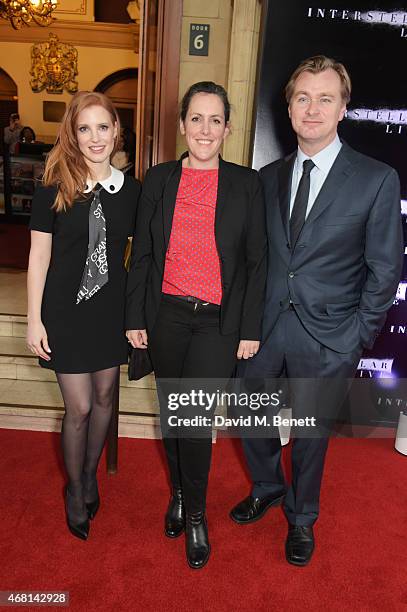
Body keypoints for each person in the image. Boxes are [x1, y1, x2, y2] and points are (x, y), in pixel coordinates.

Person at [230, 56, 403, 566]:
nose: (312, 108)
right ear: (288, 107)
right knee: (250, 414)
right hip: (263, 327)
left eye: (325, 98)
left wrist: (356, 337)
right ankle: (266, 485)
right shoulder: (265, 177)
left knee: (310, 433)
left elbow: (385, 268)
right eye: (302, 97)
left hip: (330, 336)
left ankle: (302, 517)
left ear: (343, 108)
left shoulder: (375, 179)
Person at [126, 81, 267, 569]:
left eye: (214, 120)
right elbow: (142, 254)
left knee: (194, 420)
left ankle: (196, 516)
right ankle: (181, 495)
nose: (204, 129)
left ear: (227, 128)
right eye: (195, 119)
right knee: (173, 415)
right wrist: (134, 318)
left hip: (218, 324)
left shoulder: (248, 184)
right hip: (165, 315)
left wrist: (250, 329)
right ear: (182, 124)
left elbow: (256, 264)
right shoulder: (159, 178)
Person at [26, 91, 141, 541]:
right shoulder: (52, 189)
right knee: (80, 406)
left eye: (103, 127)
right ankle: (76, 490)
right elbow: (38, 259)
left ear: (117, 131)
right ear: (73, 135)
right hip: (64, 312)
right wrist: (34, 320)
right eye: (84, 128)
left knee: (106, 399)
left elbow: (144, 254)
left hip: (109, 310)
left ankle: (90, 474)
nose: (95, 137)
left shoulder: (131, 191)